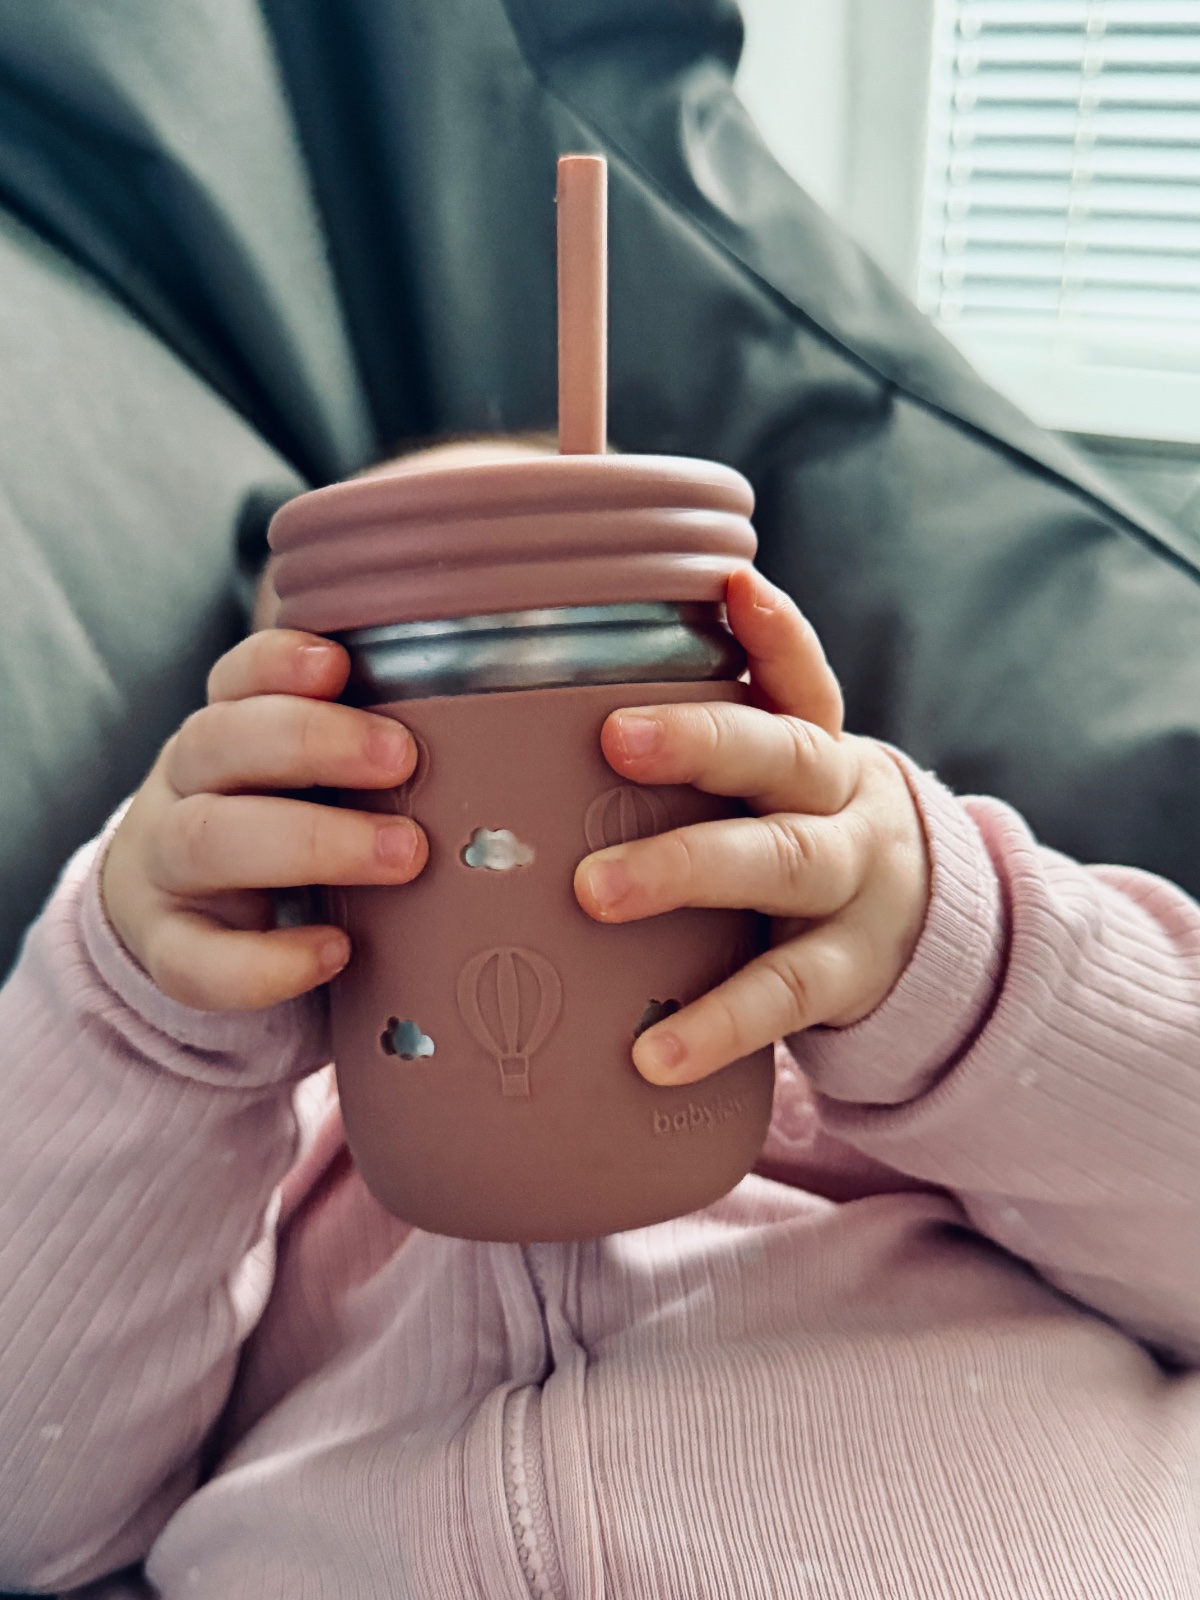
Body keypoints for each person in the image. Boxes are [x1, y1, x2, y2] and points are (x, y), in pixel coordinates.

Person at [3, 445, 1200, 1600]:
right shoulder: (246, 1179)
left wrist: (956, 957)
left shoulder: (895, 1068)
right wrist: (149, 1024)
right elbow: (29, 1512)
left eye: (581, 616)